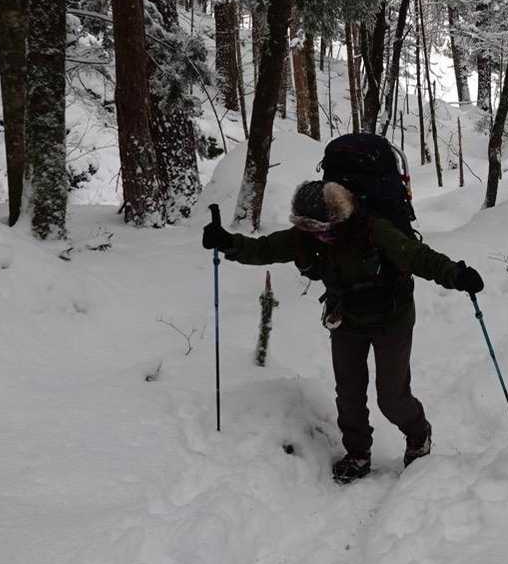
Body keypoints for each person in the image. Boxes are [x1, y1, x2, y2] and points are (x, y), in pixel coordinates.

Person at [204, 180, 484, 483]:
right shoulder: (305, 237)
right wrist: (228, 243)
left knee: (391, 396)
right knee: (349, 393)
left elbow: (417, 256)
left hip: (392, 318)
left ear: (338, 217)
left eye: (321, 228)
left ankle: (418, 434)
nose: (317, 235)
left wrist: (455, 275)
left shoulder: (373, 231)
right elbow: (264, 249)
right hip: (347, 318)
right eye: (309, 228)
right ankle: (358, 453)